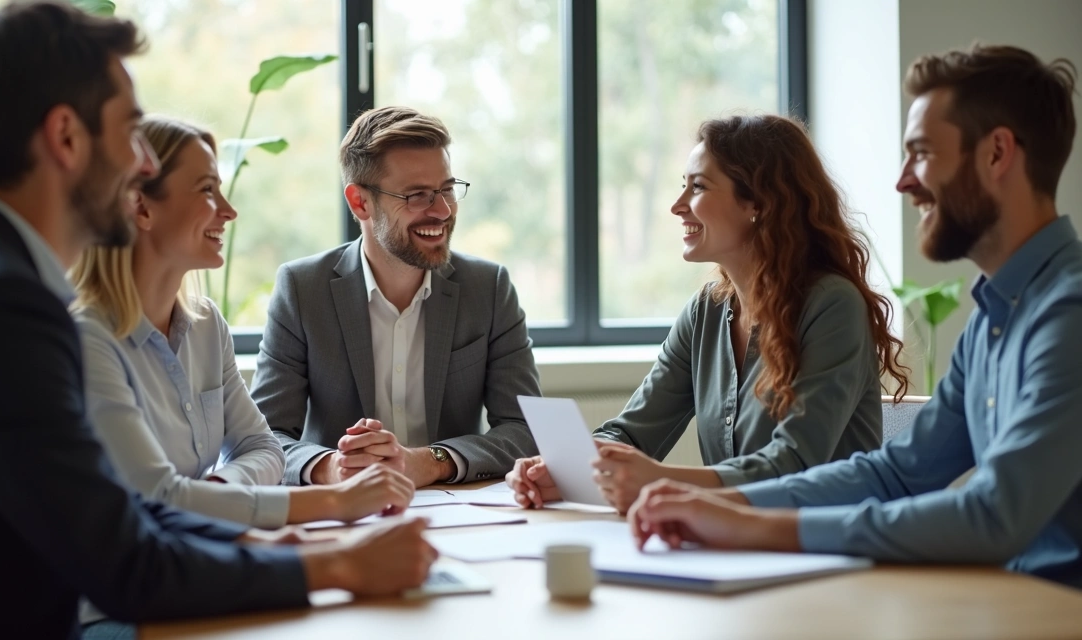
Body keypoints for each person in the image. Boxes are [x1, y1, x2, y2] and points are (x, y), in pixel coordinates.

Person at [0, 4, 433, 638]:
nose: (141, 164)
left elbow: (121, 511)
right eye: (131, 131)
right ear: (66, 137)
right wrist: (337, 565)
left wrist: (288, 544)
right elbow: (126, 563)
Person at [626, 45, 1082, 590]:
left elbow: (993, 516)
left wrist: (754, 526)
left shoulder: (1068, 315)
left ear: (996, 154)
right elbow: (895, 473)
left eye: (921, 153)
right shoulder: (992, 319)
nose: (903, 181)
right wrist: (722, 504)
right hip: (1012, 602)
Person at [508, 114, 909, 514]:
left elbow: (795, 464)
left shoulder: (831, 306)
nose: (677, 206)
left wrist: (659, 480)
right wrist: (562, 469)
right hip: (736, 543)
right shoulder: (707, 311)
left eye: (697, 187)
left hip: (828, 547)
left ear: (758, 202)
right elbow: (635, 431)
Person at [71, 116, 415, 533]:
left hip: (202, 555)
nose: (229, 211)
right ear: (141, 206)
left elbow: (262, 447)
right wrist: (334, 500)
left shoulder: (205, 325)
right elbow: (158, 500)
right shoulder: (86, 339)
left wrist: (219, 490)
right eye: (207, 190)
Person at [250, 106, 542, 488]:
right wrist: (333, 467)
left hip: (461, 515)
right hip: (344, 514)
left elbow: (524, 430)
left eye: (447, 189)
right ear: (360, 203)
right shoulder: (302, 290)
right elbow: (263, 438)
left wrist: (431, 462)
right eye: (417, 195)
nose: (442, 210)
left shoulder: (489, 289)